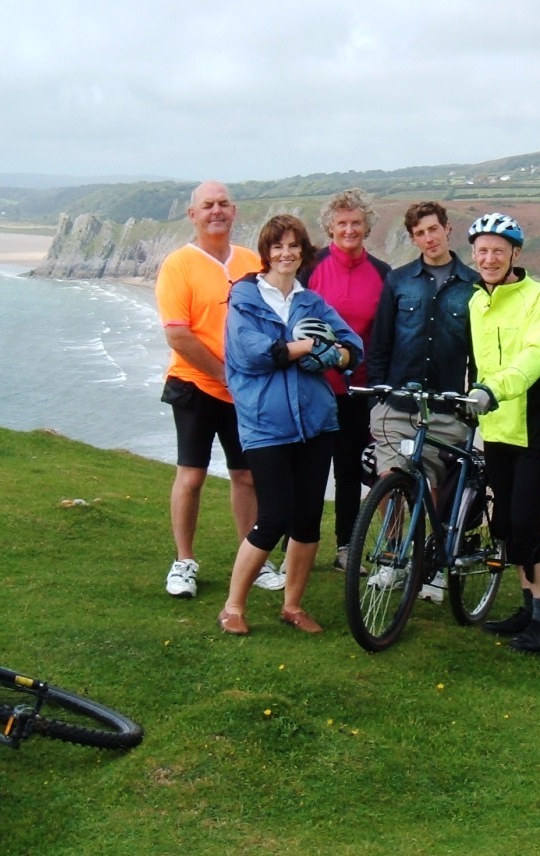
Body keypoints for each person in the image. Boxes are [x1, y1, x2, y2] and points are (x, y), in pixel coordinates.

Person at [217, 214, 363, 635]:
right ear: (265, 252)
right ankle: (233, 605)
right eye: (277, 246)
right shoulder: (244, 298)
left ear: (304, 253)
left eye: (293, 246)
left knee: (308, 519)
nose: (286, 253)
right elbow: (252, 354)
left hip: (317, 423)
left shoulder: (312, 302)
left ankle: (293, 605)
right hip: (266, 425)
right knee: (274, 516)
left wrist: (337, 356)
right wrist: (308, 346)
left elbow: (353, 345)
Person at [156, 181, 285, 598]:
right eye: (207, 205)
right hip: (194, 384)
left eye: (224, 204)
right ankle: (184, 562)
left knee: (246, 476)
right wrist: (226, 373)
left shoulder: (251, 261)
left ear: (235, 212)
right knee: (191, 476)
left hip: (245, 393)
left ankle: (255, 557)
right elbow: (178, 335)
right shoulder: (178, 264)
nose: (216, 211)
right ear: (193, 215)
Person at [463, 213, 540, 653]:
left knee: (526, 523)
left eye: (498, 251)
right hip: (495, 425)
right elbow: (476, 362)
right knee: (505, 525)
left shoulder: (539, 297)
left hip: (533, 425)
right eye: (482, 251)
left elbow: (532, 357)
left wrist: (491, 389)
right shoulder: (475, 302)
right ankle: (527, 609)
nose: (489, 259)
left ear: (515, 254)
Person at [368, 200, 479, 603]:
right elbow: (380, 343)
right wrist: (377, 395)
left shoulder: (472, 283)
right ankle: (392, 560)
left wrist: (477, 397)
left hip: (447, 407)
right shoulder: (398, 281)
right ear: (413, 238)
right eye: (419, 233)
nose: (428, 238)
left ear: (447, 229)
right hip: (397, 405)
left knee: (433, 489)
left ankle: (430, 563)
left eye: (434, 229)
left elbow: (479, 350)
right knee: (391, 481)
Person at [306, 189, 391, 571]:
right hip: (314, 387)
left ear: (367, 226)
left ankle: (345, 548)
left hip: (360, 390)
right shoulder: (312, 267)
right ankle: (298, 546)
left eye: (356, 222)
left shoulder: (383, 273)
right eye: (341, 223)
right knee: (308, 470)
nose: (349, 229)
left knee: (347, 472)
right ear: (329, 227)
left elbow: (387, 336)